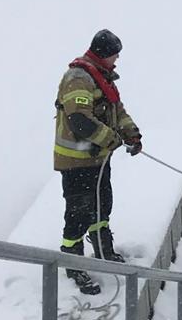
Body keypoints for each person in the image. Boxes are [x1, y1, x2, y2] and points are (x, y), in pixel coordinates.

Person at [54, 29, 143, 296]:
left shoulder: (101, 78)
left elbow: (117, 111)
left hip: (97, 160)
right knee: (79, 213)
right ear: (103, 54)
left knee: (102, 205)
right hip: (77, 161)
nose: (117, 60)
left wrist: (132, 133)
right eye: (115, 55)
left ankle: (103, 248)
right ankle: (73, 261)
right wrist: (109, 138)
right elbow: (79, 119)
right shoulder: (78, 79)